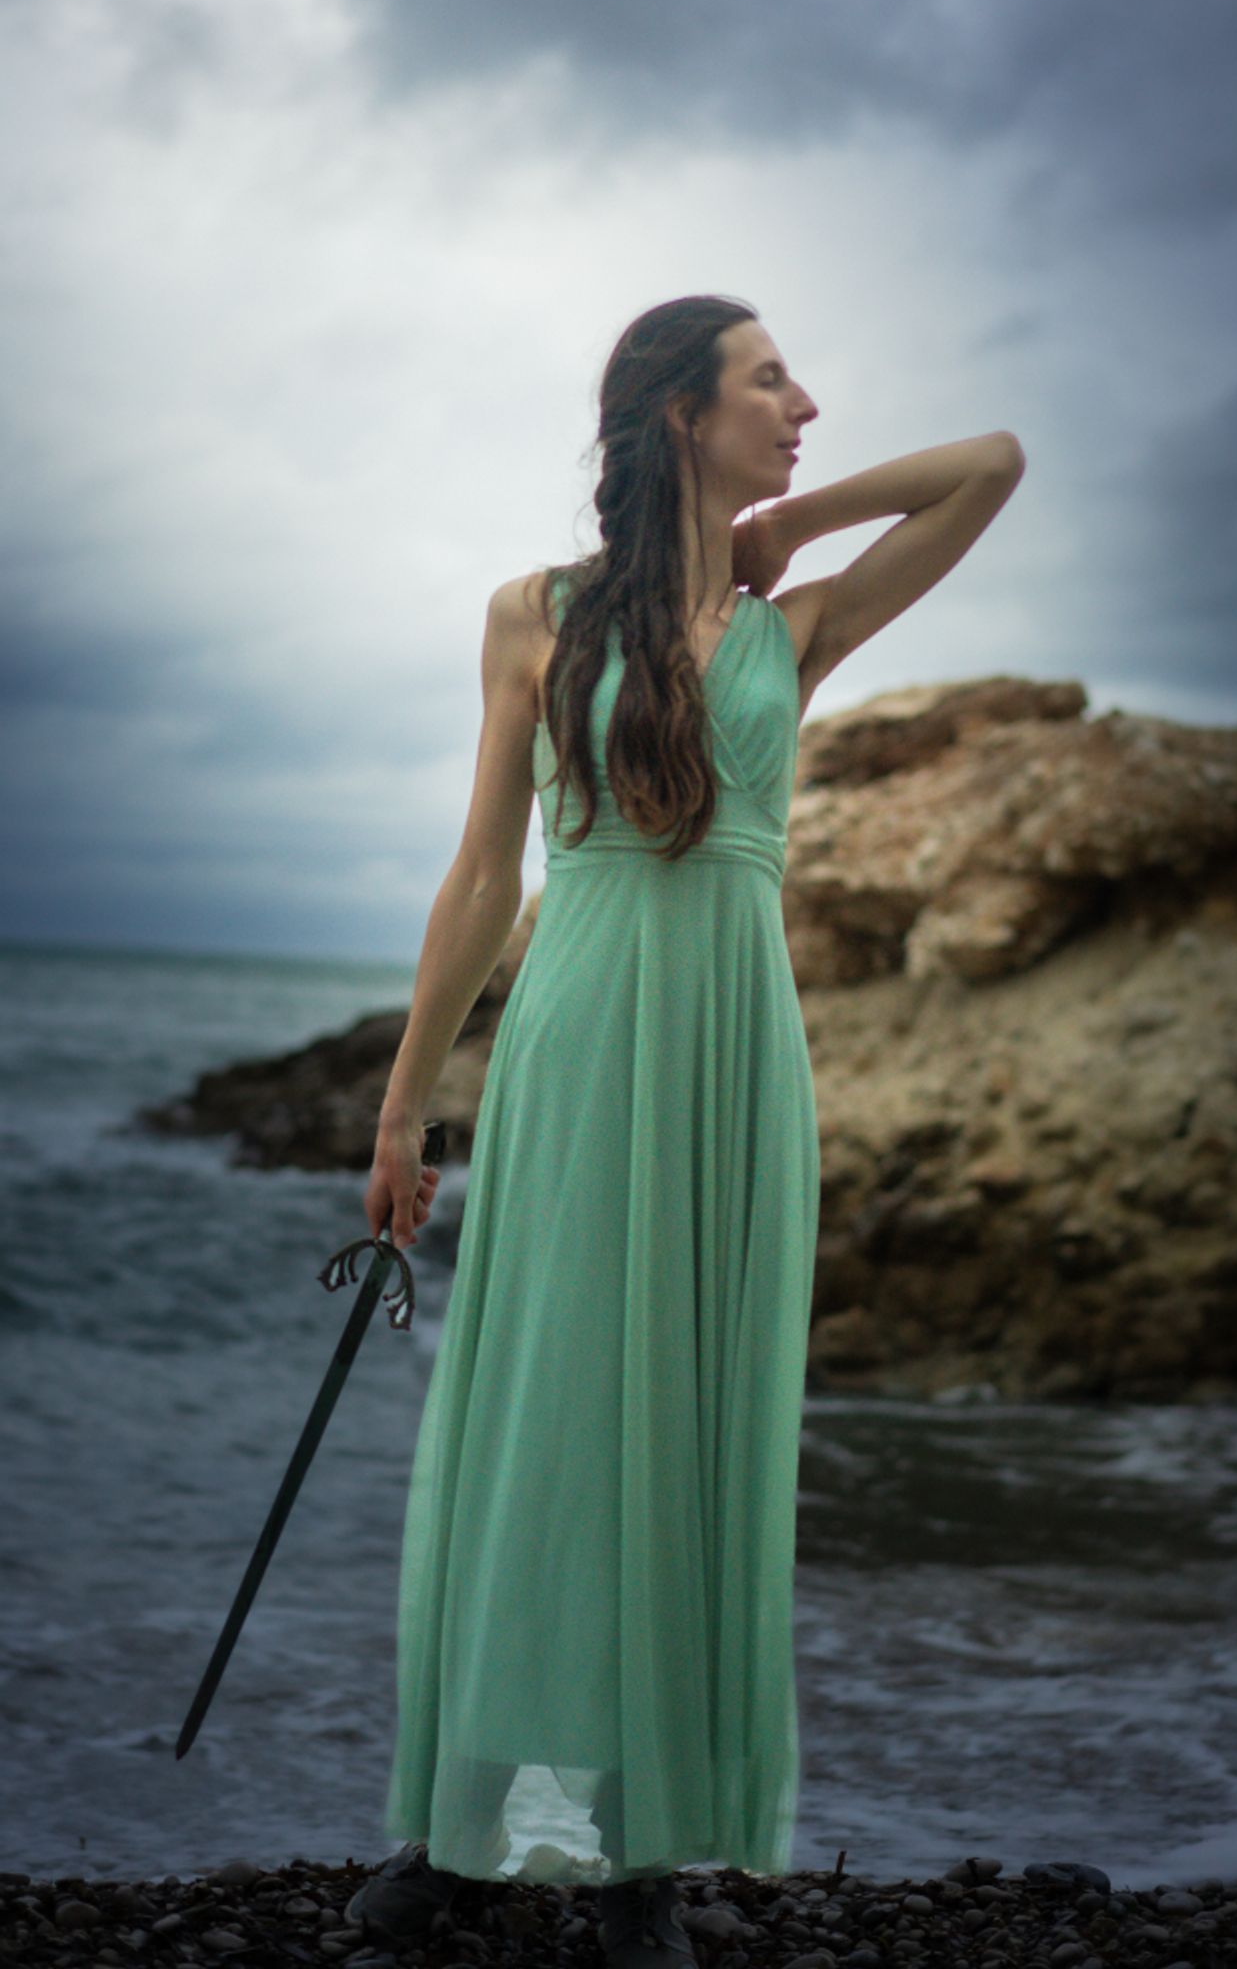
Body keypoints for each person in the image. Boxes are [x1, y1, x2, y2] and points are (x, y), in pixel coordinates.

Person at [346, 295, 1025, 1963]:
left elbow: (990, 467)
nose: (805, 400)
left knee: (689, 1437)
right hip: (576, 1044)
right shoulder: (533, 615)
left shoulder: (793, 634)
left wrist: (797, 518)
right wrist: (405, 1105)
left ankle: (643, 1853)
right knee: (539, 1429)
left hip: (733, 1053)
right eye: (769, 380)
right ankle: (464, 1830)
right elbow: (486, 873)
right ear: (676, 415)